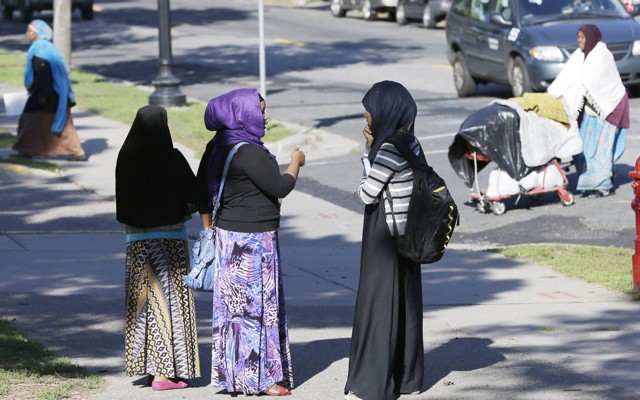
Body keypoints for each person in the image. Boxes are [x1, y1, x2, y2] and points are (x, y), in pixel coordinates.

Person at [196, 88, 305, 397]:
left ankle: (235, 376)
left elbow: (198, 191)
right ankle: (264, 379)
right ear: (242, 114)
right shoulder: (249, 151)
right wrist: (296, 162)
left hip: (227, 240)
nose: (265, 116)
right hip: (254, 243)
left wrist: (209, 230)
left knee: (234, 313)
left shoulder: (217, 146)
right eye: (260, 110)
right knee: (259, 310)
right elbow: (280, 186)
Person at [344, 81, 424, 400]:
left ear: (385, 113)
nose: (367, 124)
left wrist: (368, 155)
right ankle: (408, 379)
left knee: (379, 306)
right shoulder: (411, 142)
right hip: (410, 233)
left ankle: (374, 383)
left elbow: (367, 192)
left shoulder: (389, 149)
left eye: (369, 117)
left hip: (386, 235)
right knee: (405, 305)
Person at [115, 105, 200, 391]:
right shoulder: (172, 158)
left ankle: (148, 367)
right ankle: (164, 374)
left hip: (136, 244)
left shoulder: (125, 158)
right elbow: (196, 196)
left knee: (143, 307)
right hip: (170, 242)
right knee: (169, 305)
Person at [548, 24, 629, 198]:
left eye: (582, 37)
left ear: (591, 37)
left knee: (601, 149)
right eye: (578, 37)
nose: (579, 41)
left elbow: (587, 82)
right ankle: (591, 182)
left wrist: (570, 94)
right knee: (583, 147)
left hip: (608, 108)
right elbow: (566, 77)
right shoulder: (579, 56)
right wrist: (551, 96)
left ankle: (602, 185)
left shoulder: (602, 55)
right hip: (589, 111)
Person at [13, 19, 87, 161]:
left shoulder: (40, 49)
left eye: (30, 31)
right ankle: (26, 150)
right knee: (58, 124)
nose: (27, 34)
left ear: (39, 33)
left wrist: (41, 95)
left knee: (30, 121)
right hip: (57, 94)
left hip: (47, 94)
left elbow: (43, 74)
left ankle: (26, 150)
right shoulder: (48, 47)